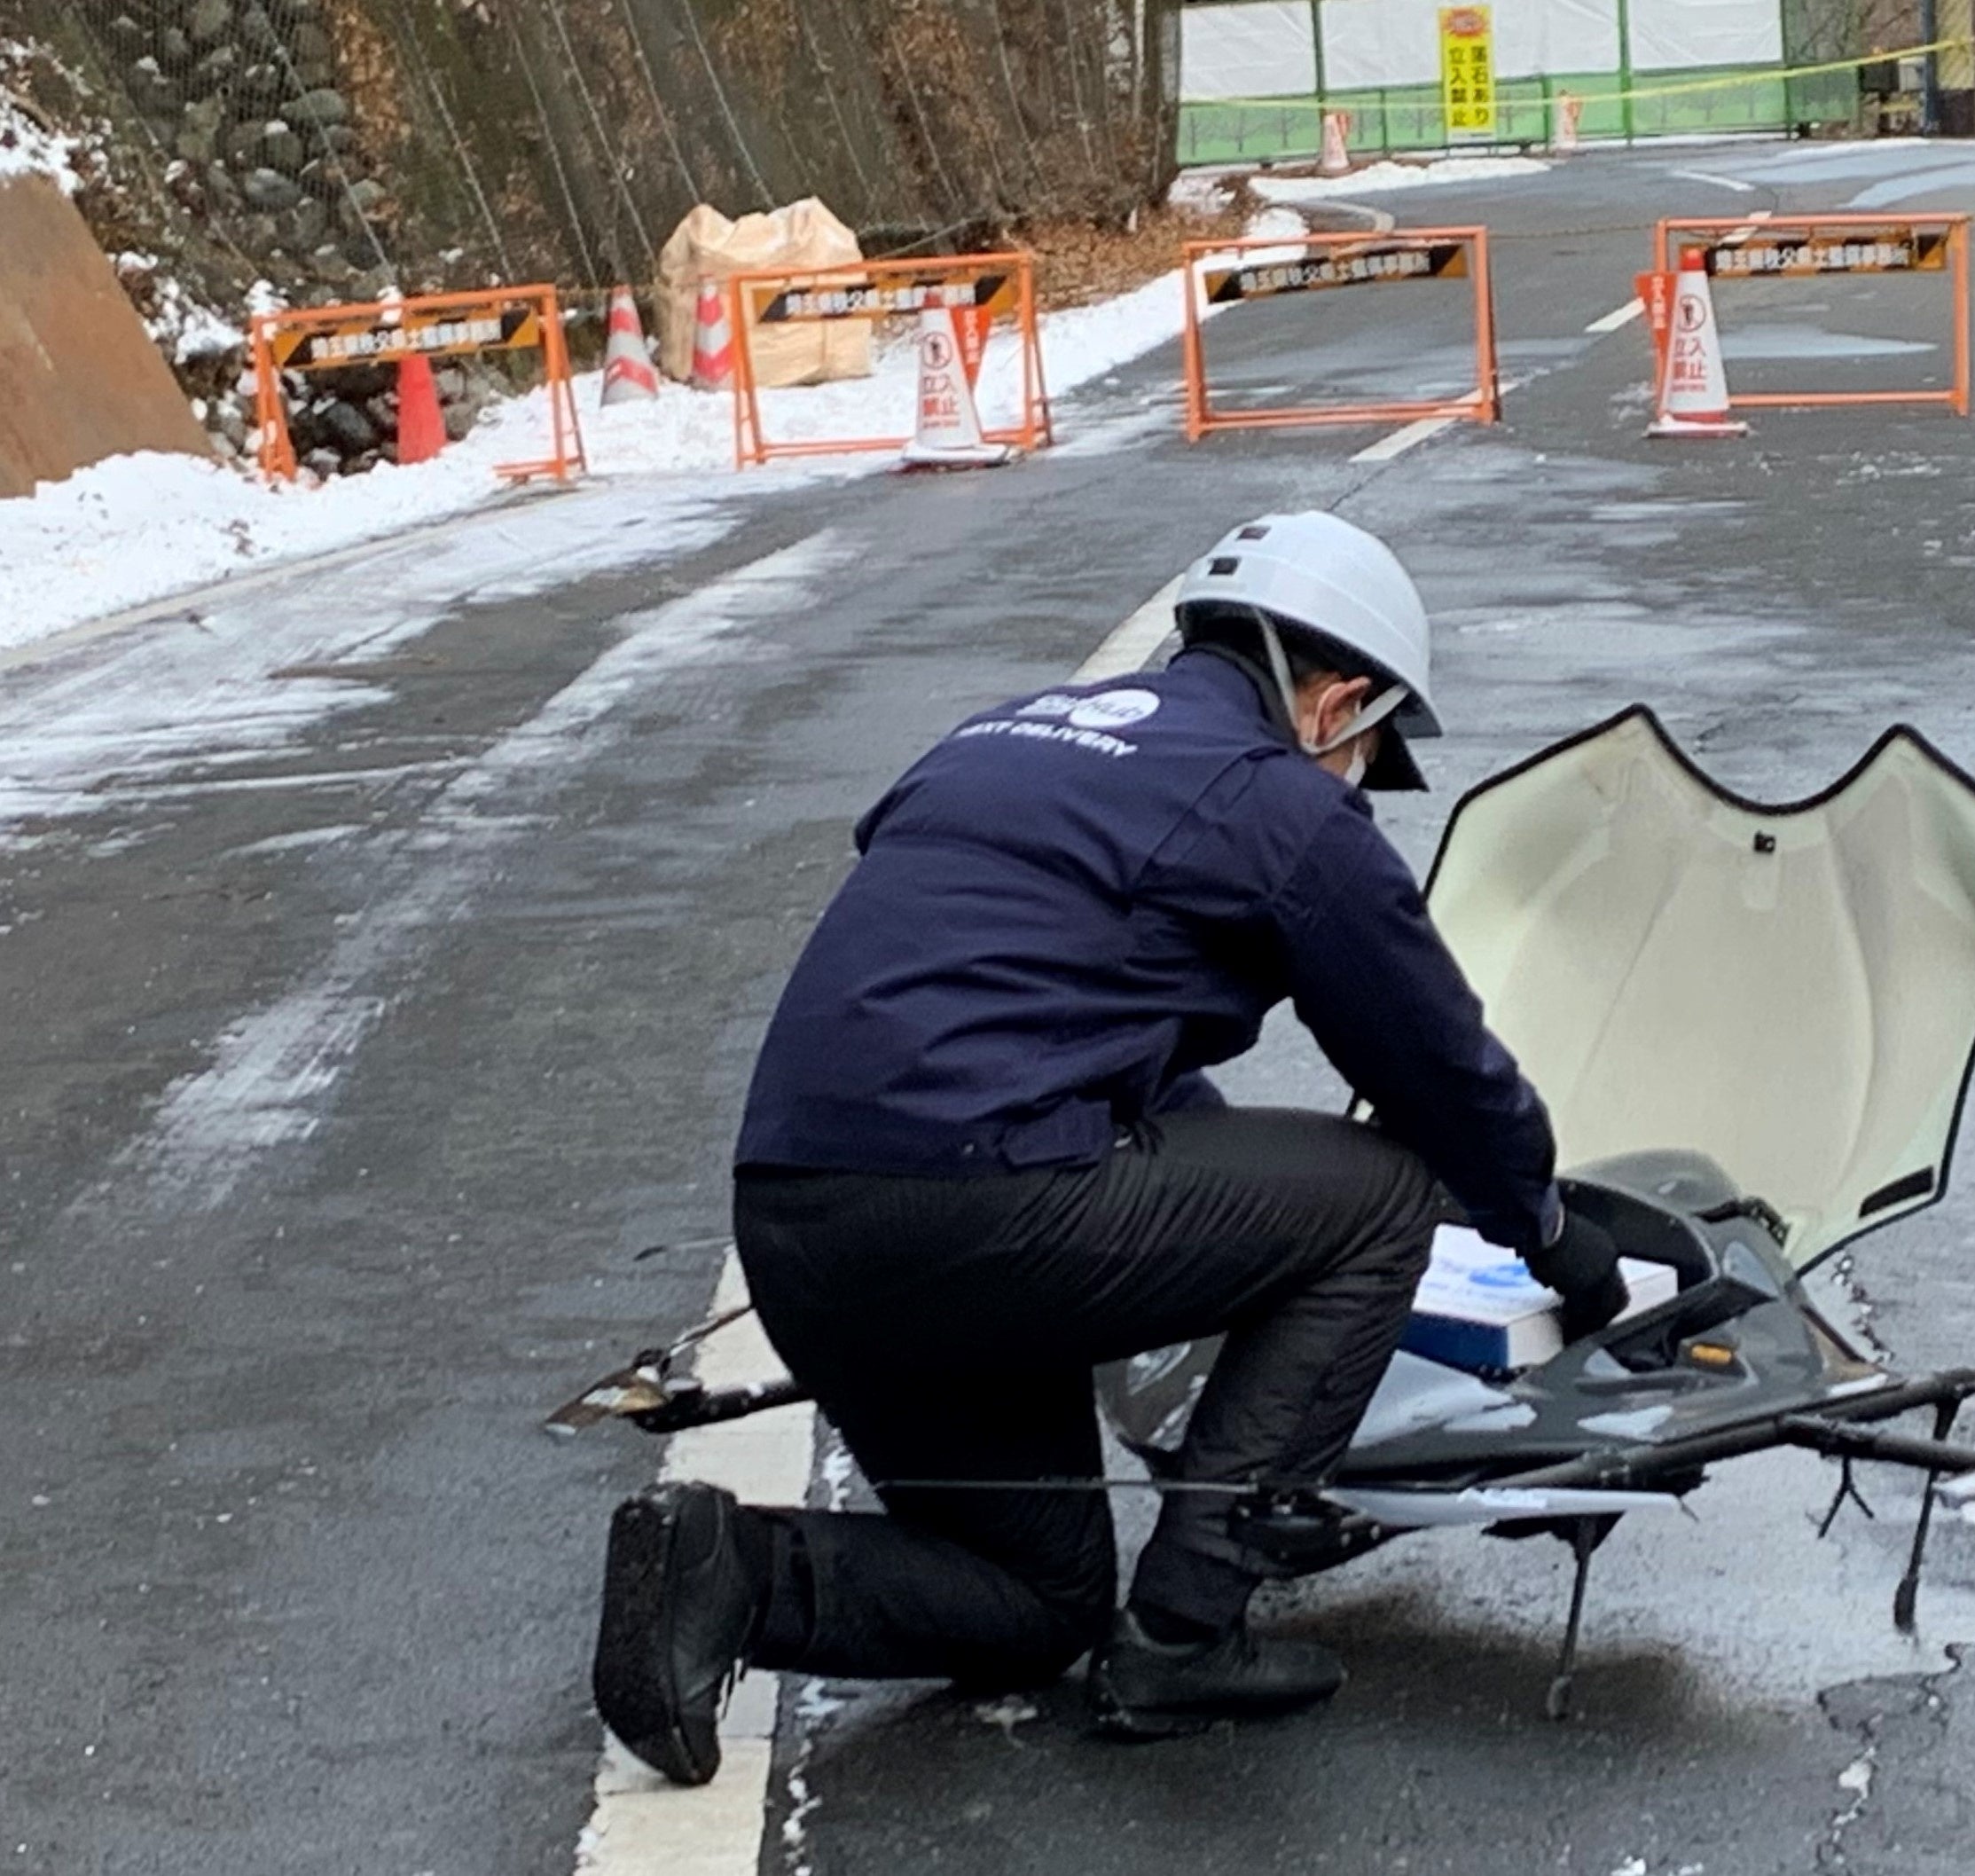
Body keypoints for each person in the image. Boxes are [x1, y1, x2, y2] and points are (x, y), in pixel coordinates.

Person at [592, 511, 1626, 1781]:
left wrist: (1225, 1213)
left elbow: (1037, 1005)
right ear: (1336, 702)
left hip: (803, 1221)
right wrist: (1553, 1235)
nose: (1358, 777)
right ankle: (1190, 1630)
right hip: (985, 1209)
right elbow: (1437, 1074)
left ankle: (725, 1571)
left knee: (1034, 1598)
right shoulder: (1274, 804)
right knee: (1375, 1196)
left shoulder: (999, 735)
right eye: (1368, 751)